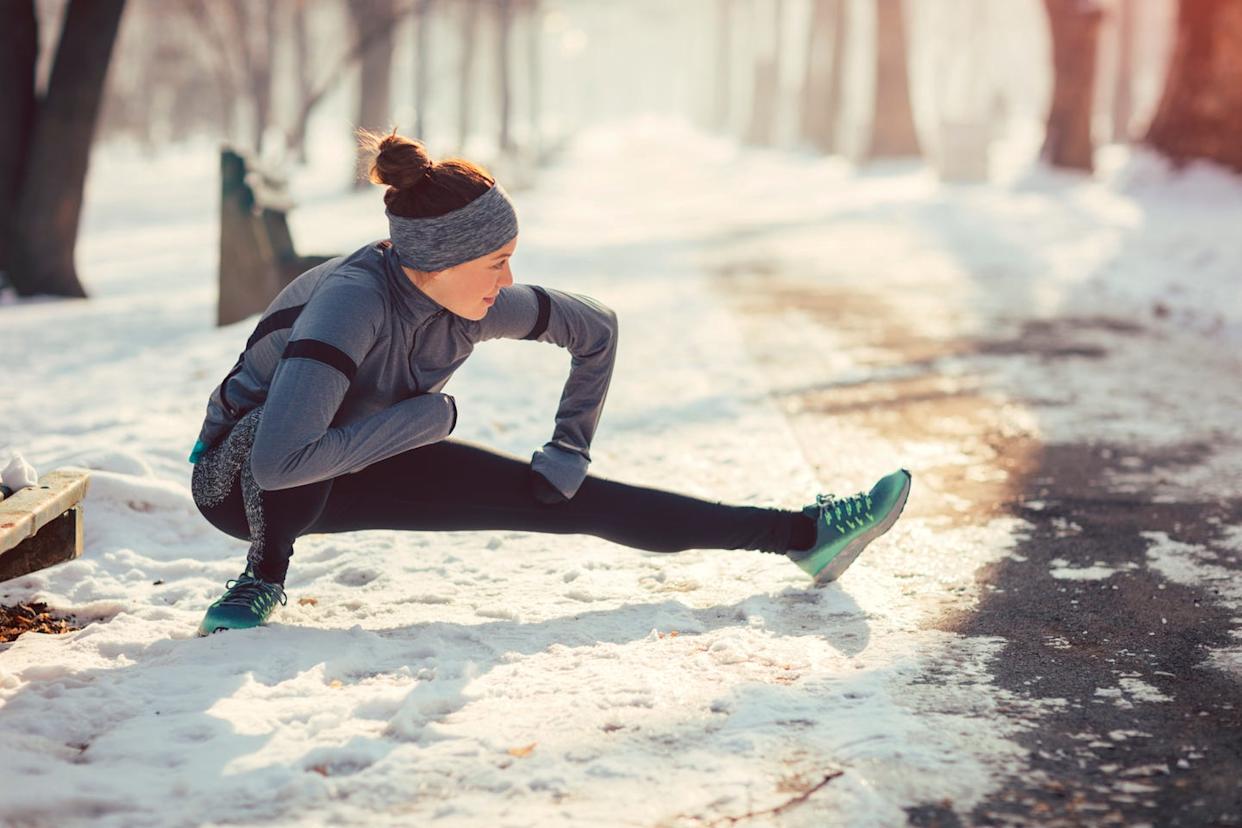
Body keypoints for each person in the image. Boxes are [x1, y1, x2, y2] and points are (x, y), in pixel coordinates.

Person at [188, 128, 912, 636]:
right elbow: (278, 459)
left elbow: (595, 328)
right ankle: (263, 576)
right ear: (438, 261)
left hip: (356, 453)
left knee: (569, 501)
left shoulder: (467, 300)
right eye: (496, 261)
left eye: (511, 258)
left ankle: (801, 534)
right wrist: (427, 421)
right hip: (242, 482)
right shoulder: (351, 303)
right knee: (292, 431)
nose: (507, 280)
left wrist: (570, 447)